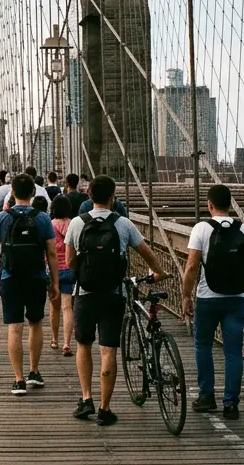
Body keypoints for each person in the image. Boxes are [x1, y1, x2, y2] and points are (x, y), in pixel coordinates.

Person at [66, 175, 169, 426]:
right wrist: (159, 273)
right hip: (114, 294)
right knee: (108, 349)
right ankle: (104, 409)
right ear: (113, 197)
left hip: (85, 293)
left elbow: (69, 261)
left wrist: (83, 273)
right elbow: (146, 252)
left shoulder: (77, 223)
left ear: (89, 196)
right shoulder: (123, 224)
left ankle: (86, 398)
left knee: (84, 345)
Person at [181, 183, 244, 420]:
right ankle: (231, 404)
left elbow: (192, 266)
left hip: (208, 299)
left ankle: (206, 397)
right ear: (230, 204)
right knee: (233, 352)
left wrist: (185, 296)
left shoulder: (201, 229)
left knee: (203, 345)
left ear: (209, 205)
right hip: (237, 299)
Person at [0, 173, 60, 396]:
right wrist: (54, 281)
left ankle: (18, 379)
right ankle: (34, 372)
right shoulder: (43, 218)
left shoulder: (2, 217)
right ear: (33, 193)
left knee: (15, 326)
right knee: (35, 323)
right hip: (36, 277)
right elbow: (51, 253)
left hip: (10, 277)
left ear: (13, 193)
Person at [49, 194, 76, 356]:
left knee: (54, 306)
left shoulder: (50, 224)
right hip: (69, 268)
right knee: (67, 307)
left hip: (53, 270)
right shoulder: (73, 224)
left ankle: (54, 339)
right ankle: (67, 343)